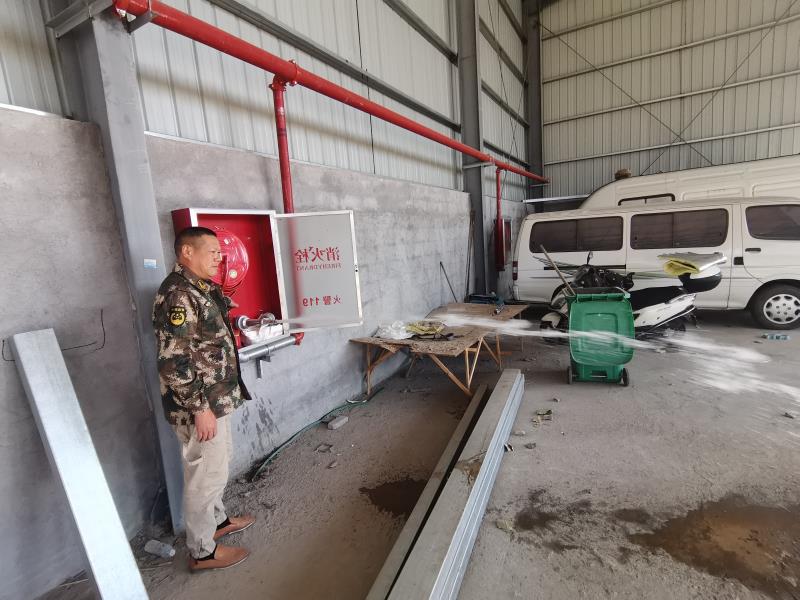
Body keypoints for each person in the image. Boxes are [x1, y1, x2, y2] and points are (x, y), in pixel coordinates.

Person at [153, 226, 255, 572]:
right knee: (204, 476)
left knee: (217, 465)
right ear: (186, 252)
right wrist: (200, 409)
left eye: (219, 253)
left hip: (216, 399)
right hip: (200, 406)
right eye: (212, 251)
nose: (219, 258)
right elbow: (172, 362)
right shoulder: (178, 295)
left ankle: (218, 521)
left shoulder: (201, 288)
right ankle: (202, 551)